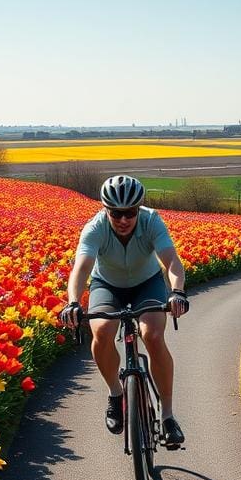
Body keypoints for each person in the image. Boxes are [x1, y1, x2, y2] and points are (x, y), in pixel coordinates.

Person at [60, 175, 189, 447]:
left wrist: (177, 291)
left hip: (147, 283)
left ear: (139, 209)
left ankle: (167, 415)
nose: (123, 220)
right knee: (102, 331)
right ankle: (116, 394)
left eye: (130, 213)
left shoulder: (151, 221)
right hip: (107, 285)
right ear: (105, 210)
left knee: (152, 335)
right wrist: (73, 301)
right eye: (116, 213)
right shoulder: (94, 228)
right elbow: (81, 268)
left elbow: (171, 261)